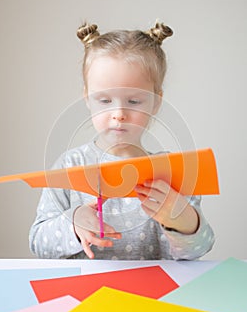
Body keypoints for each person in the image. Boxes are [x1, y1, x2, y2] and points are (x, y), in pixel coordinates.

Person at [29, 21, 215, 260]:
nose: (119, 114)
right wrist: (72, 224)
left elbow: (200, 249)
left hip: (152, 294)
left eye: (134, 101)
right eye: (104, 101)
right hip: (86, 294)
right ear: (87, 98)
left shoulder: (171, 171)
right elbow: (37, 241)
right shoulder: (70, 165)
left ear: (156, 102)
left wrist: (182, 220)